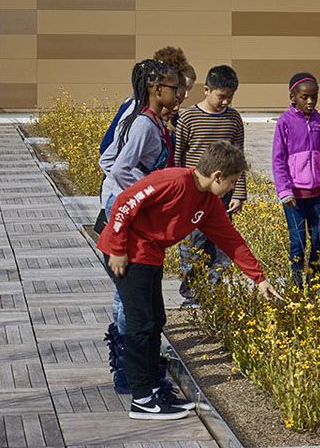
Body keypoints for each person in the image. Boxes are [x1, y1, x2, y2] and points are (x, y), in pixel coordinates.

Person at [99, 144, 280, 420]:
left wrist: (259, 278)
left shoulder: (208, 203)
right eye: (231, 183)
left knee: (155, 320)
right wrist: (118, 248)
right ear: (218, 176)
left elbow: (231, 239)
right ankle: (142, 400)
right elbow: (125, 202)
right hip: (127, 254)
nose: (231, 189)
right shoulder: (174, 180)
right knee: (140, 324)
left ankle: (153, 388)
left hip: (150, 256)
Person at [98, 59, 185, 392]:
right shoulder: (143, 125)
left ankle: (135, 364)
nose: (178, 94)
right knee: (128, 299)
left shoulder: (152, 122)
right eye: (174, 87)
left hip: (134, 212)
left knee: (136, 299)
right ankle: (126, 369)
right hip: (129, 216)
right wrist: (151, 189)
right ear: (155, 87)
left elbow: (110, 161)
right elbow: (119, 168)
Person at [175, 65, 248, 301]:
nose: (225, 101)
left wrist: (239, 193)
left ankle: (211, 292)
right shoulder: (187, 118)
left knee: (221, 247)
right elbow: (177, 158)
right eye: (221, 96)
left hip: (223, 196)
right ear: (206, 90)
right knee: (194, 246)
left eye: (230, 97)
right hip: (193, 195)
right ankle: (192, 294)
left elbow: (239, 158)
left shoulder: (234, 119)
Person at [271, 72, 320, 288]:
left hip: (316, 195)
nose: (310, 102)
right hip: (294, 198)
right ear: (293, 97)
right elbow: (278, 159)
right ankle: (296, 287)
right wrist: (284, 191)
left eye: (314, 97)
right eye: (304, 97)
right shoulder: (285, 122)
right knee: (298, 242)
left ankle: (314, 286)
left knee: (319, 242)